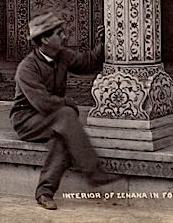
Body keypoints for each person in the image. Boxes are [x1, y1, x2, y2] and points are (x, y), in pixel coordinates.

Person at [10, 11, 119, 210]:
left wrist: (103, 43)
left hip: (53, 119)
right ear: (44, 39)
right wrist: (69, 103)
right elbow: (43, 103)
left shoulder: (62, 56)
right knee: (67, 116)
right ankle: (93, 171)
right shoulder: (27, 67)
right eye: (59, 33)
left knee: (63, 139)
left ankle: (44, 192)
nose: (64, 36)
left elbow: (88, 62)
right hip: (27, 121)